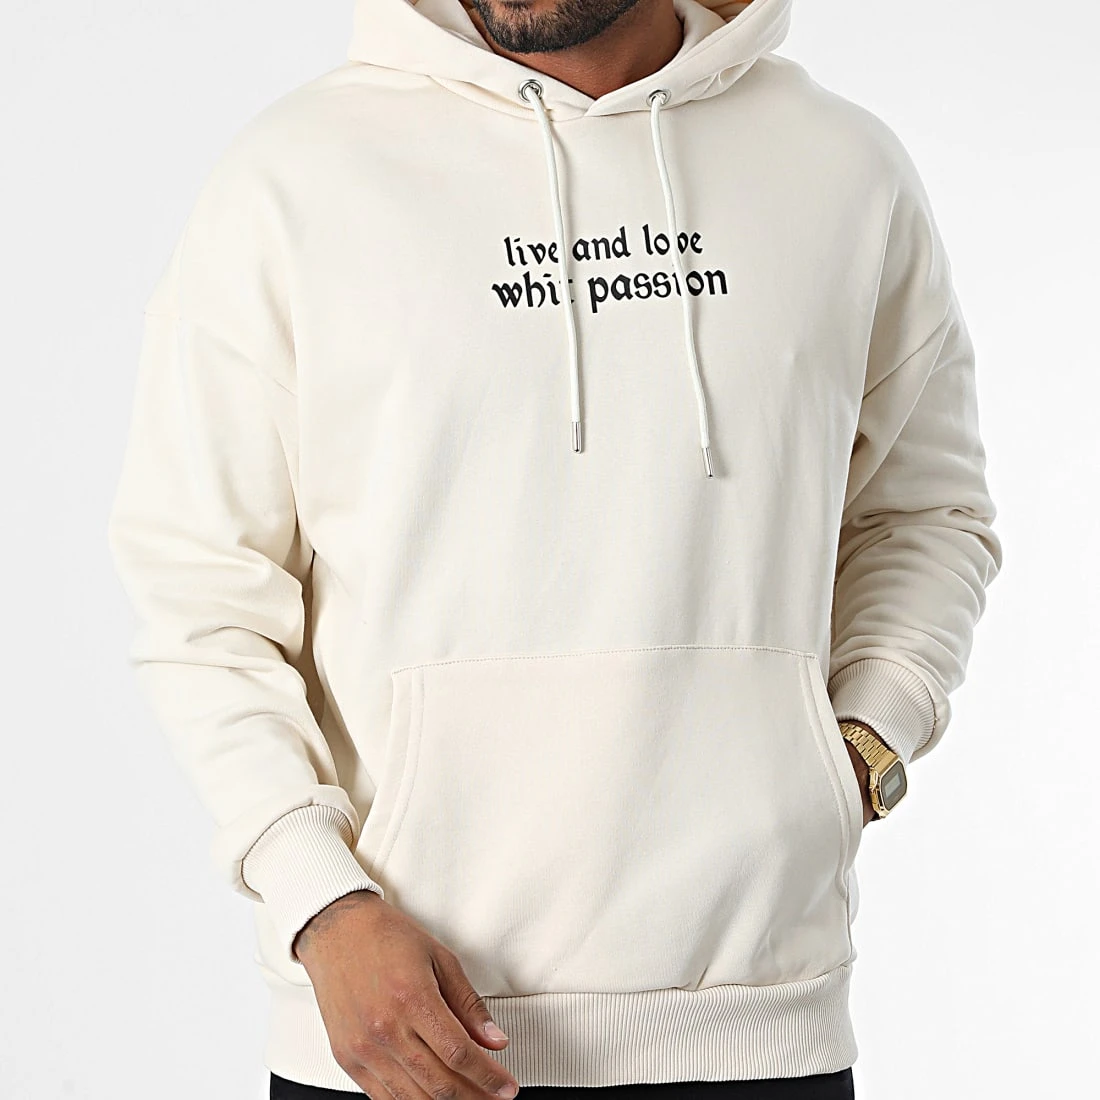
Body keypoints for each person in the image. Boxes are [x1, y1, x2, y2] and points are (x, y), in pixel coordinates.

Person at [106, 0, 1004, 1097]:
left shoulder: (841, 171)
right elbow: (201, 591)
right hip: (404, 1025)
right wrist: (318, 900)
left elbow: (924, 513)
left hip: (758, 1016)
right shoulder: (293, 177)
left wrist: (863, 740)